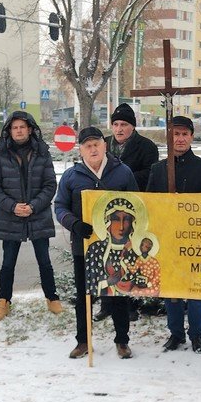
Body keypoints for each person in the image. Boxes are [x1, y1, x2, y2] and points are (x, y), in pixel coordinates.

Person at [53, 126, 140, 359]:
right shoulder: (72, 176)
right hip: (84, 246)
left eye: (96, 144)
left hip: (117, 247)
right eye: (88, 146)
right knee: (84, 295)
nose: (93, 149)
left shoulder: (122, 172)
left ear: (104, 145)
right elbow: (59, 206)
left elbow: (137, 202)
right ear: (80, 150)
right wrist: (73, 223)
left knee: (119, 293)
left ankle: (122, 340)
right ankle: (83, 341)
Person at [147, 115, 201, 354]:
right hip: (166, 240)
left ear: (191, 137)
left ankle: (197, 335)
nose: (179, 139)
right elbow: (149, 205)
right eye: (175, 134)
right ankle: (176, 333)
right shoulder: (157, 169)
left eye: (184, 134)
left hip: (194, 240)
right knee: (171, 290)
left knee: (196, 290)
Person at [0, 110, 60, 321]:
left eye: (22, 127)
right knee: (8, 262)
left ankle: (52, 298)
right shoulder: (0, 153)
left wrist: (34, 206)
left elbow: (50, 184)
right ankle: (4, 301)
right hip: (10, 216)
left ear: (29, 129)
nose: (18, 131)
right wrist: (12, 206)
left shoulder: (42, 152)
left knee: (44, 260)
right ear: (9, 130)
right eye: (14, 127)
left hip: (38, 215)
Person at [101, 102, 159, 323]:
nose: (119, 128)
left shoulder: (146, 147)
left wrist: (125, 176)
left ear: (132, 126)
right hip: (108, 208)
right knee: (109, 256)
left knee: (130, 257)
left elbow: (150, 173)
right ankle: (107, 303)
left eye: (124, 124)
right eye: (115, 124)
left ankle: (132, 304)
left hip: (134, 208)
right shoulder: (104, 144)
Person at [84, 196, 160, 296]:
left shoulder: (136, 251)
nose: (121, 227)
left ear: (133, 223)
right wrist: (107, 282)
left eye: (126, 219)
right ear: (107, 222)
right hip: (106, 302)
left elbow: (149, 281)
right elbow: (90, 283)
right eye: (116, 219)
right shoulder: (96, 249)